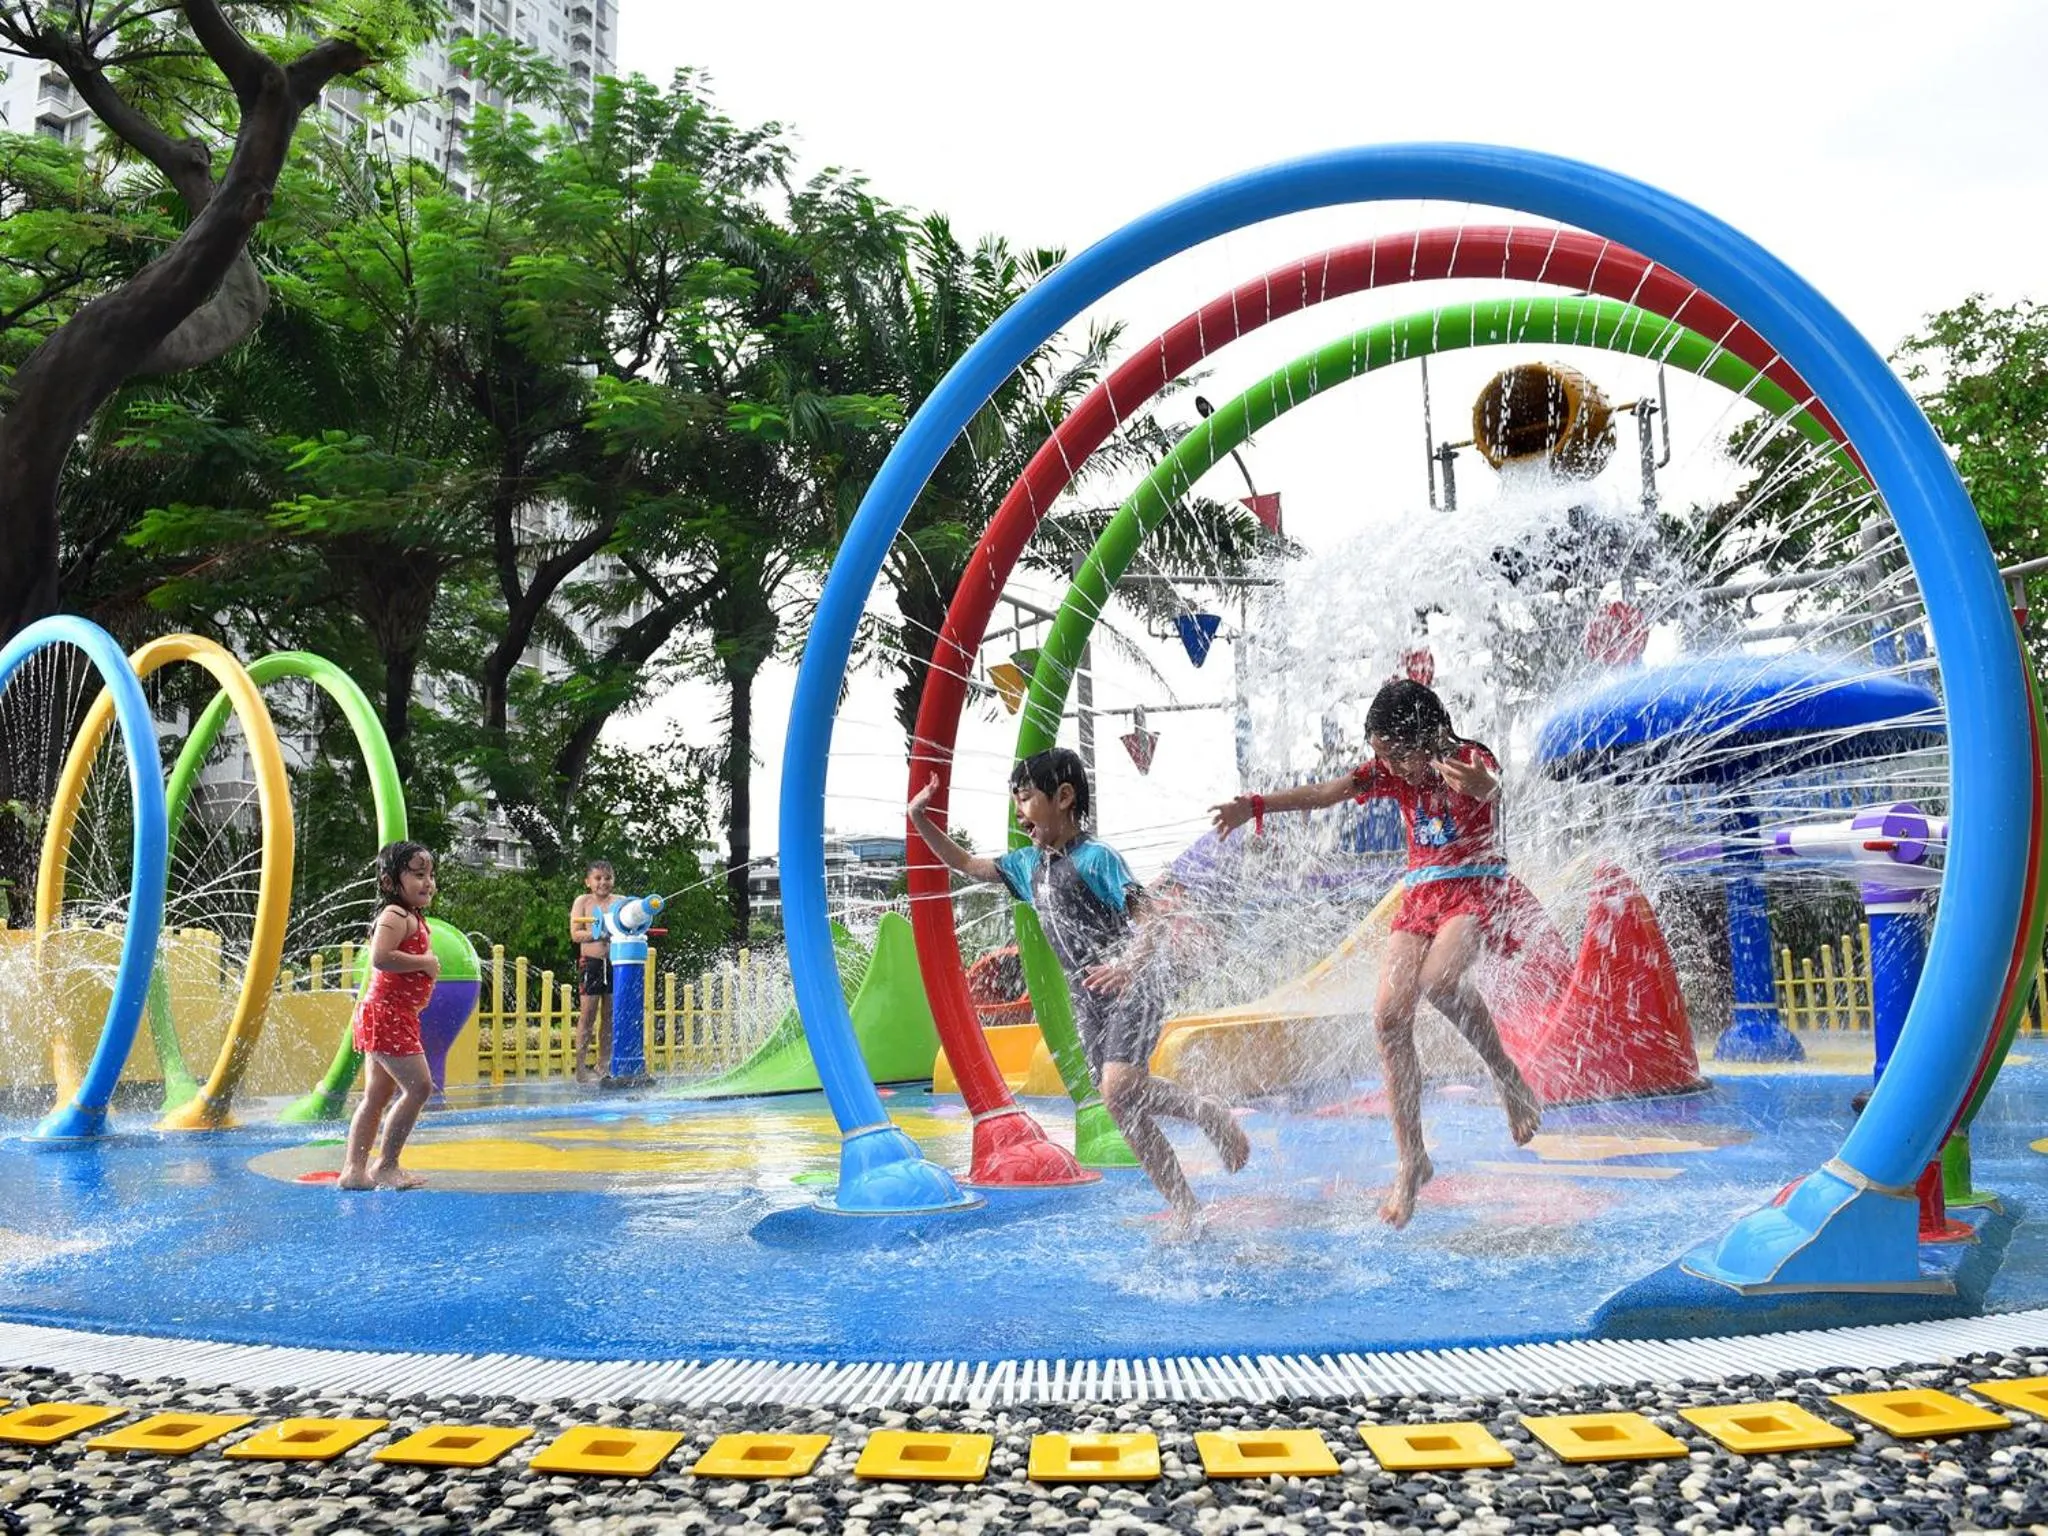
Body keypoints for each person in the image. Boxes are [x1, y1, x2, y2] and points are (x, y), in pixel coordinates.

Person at [1211, 678, 1543, 1228]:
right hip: (1420, 893)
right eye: (1380, 755)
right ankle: (1413, 1160)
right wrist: (1255, 805)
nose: (1388, 766)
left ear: (1427, 736)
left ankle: (1508, 1077)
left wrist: (1485, 785)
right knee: (1389, 1017)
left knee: (1440, 982)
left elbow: (1492, 789)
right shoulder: (1389, 772)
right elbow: (1324, 793)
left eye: (1396, 753)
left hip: (1473, 884)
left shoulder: (1467, 757)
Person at [910, 748, 1250, 1231]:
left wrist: (1128, 965)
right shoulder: (1028, 867)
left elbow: (1149, 918)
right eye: (1015, 800)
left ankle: (1209, 1112)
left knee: (1120, 1085)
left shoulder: (1097, 859)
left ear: (1064, 797)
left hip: (1134, 983)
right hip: (1088, 999)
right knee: (1118, 1103)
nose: (1018, 811)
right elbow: (965, 862)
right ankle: (1186, 1209)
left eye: (1026, 798)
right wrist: (920, 819)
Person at [338, 841, 441, 1191]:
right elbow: (381, 957)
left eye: (430, 875)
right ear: (388, 882)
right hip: (388, 1015)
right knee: (419, 1087)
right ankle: (386, 1165)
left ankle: (354, 1171)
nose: (427, 882)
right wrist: (425, 963)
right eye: (417, 875)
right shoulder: (394, 915)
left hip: (395, 1016)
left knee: (378, 1095)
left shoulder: (413, 917)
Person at [569, 858, 615, 1083]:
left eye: (607, 878)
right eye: (598, 878)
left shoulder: (620, 902)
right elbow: (575, 933)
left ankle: (603, 1063)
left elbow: (637, 915)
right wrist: (597, 934)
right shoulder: (583, 901)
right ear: (588, 881)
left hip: (615, 963)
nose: (603, 883)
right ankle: (579, 1067)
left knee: (610, 1015)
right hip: (591, 962)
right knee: (588, 1014)